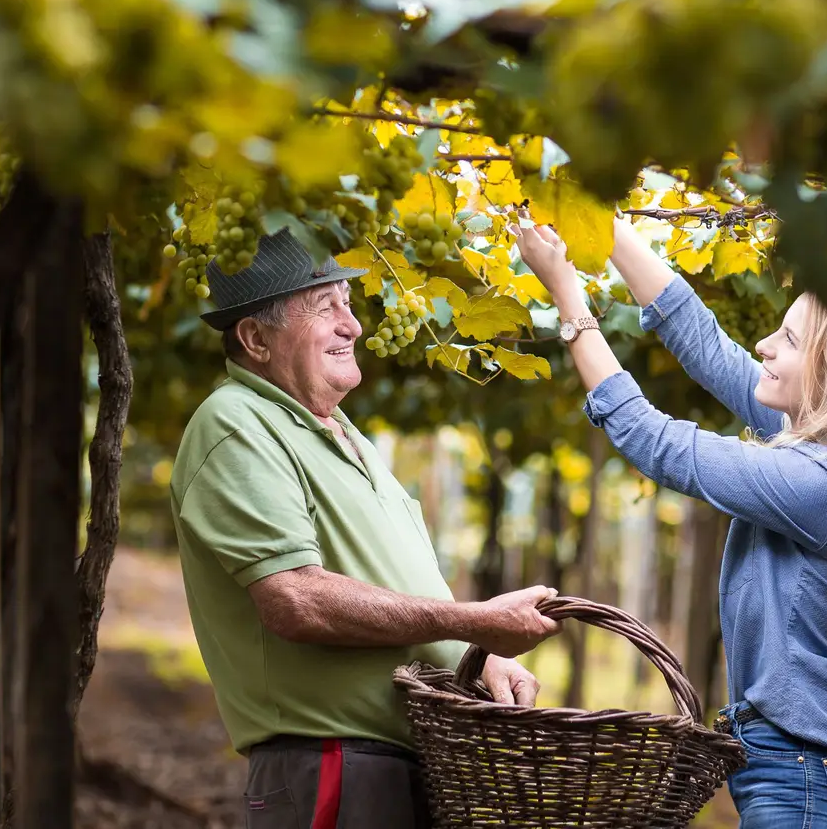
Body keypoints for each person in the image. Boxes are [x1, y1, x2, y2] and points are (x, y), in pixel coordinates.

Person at [513, 216, 827, 828]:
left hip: (815, 789)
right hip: (806, 778)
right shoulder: (816, 451)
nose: (764, 344)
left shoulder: (822, 485)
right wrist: (598, 222)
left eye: (787, 339)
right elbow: (702, 342)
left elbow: (654, 439)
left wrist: (568, 299)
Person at [168, 227, 562, 829]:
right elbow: (297, 601)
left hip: (401, 763)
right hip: (333, 762)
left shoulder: (341, 432)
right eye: (325, 308)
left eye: (348, 304)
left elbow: (392, 587)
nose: (353, 326)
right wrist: (475, 621)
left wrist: (473, 658)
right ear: (255, 337)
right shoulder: (236, 424)